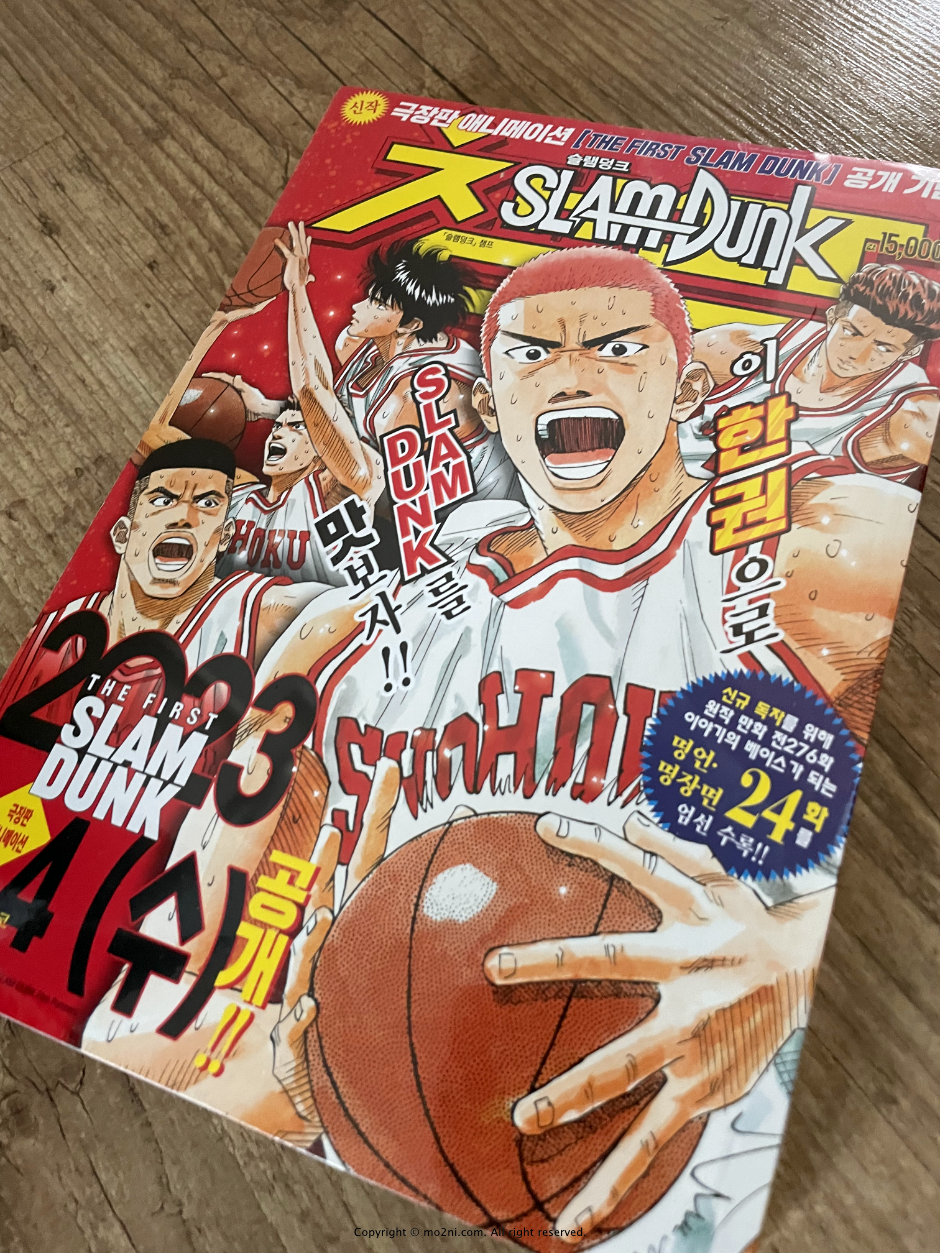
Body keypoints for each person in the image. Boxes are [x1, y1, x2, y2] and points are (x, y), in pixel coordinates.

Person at [82, 250, 919, 1249]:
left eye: (615, 348)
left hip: (745, 1163)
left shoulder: (813, 547)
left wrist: (786, 954)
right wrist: (315, 1078)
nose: (571, 375)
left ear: (686, 386)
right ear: (489, 399)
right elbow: (147, 1044)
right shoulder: (343, 644)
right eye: (532, 355)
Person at [292, 234, 522, 508]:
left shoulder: (415, 394)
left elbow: (315, 395)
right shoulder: (360, 343)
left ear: (411, 325)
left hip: (474, 516)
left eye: (378, 304)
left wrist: (297, 290)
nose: (358, 307)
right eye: (370, 298)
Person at [681, 261, 940, 483]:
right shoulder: (742, 346)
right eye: (851, 332)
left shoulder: (909, 416)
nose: (857, 354)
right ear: (832, 317)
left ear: (909, 353)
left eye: (883, 348)